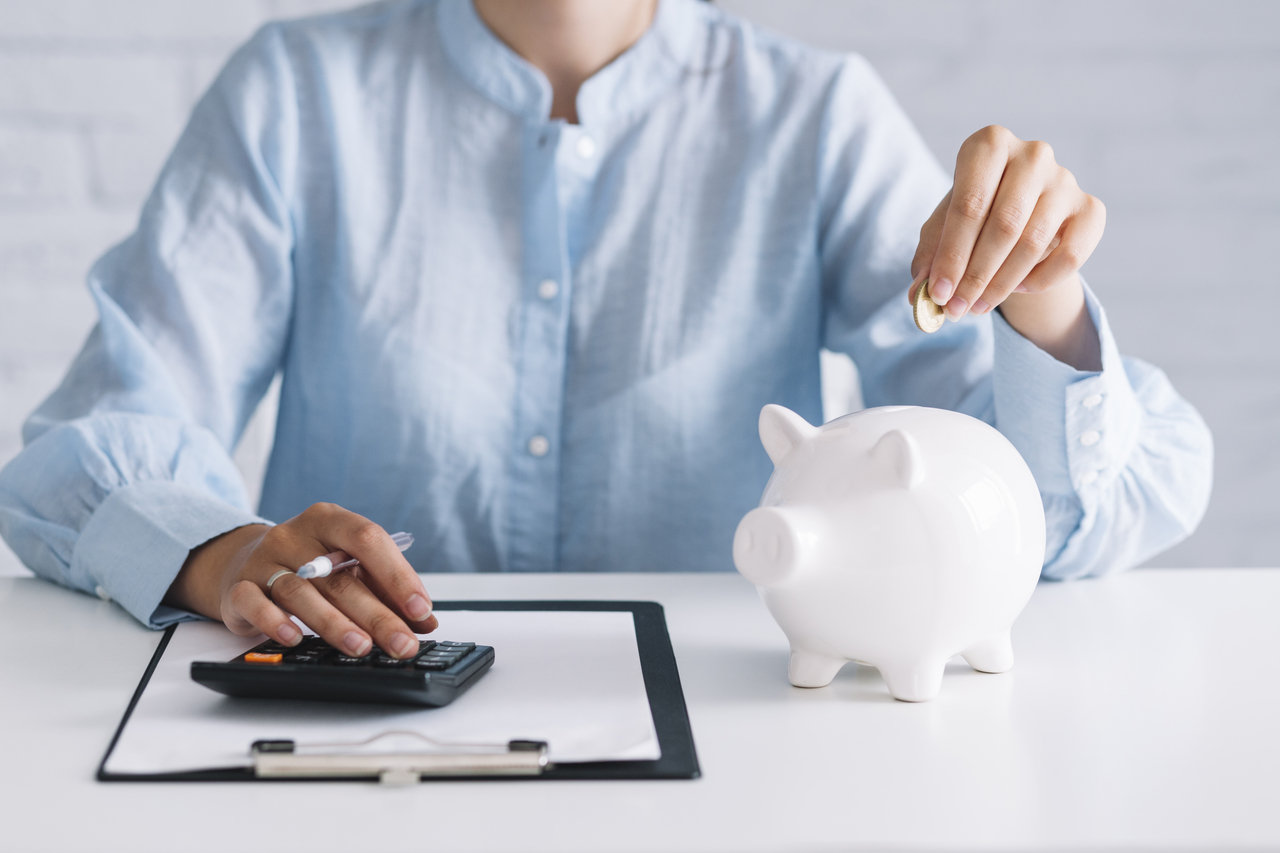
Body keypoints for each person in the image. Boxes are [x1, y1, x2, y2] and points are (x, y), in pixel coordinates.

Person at [0, 0, 1212, 660]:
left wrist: (1036, 299)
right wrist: (217, 551)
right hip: (354, 764)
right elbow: (90, 439)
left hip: (734, 760)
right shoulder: (293, 96)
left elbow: (1053, 524)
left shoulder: (814, 117)